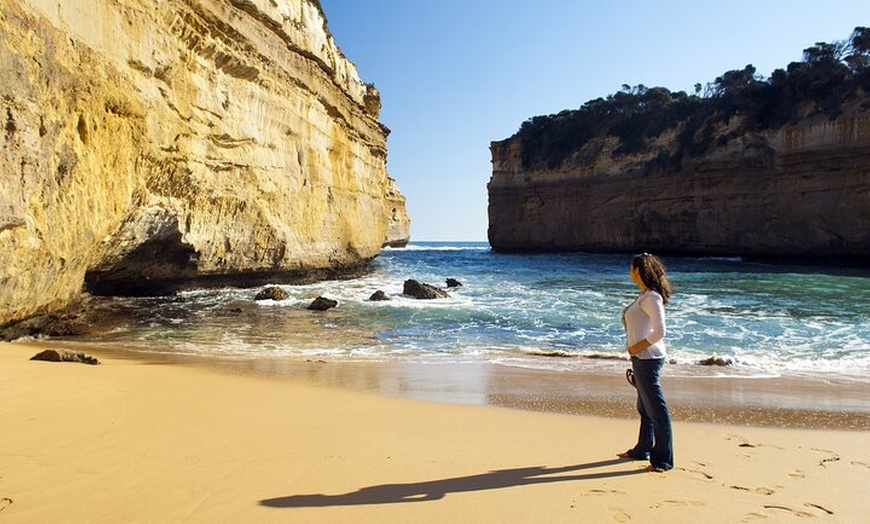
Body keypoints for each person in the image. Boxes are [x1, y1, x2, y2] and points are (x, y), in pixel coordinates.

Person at [618, 253, 674, 472]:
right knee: (645, 407)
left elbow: (660, 331)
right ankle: (642, 449)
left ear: (638, 270)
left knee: (657, 410)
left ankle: (663, 460)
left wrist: (636, 348)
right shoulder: (644, 295)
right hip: (641, 358)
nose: (629, 271)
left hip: (649, 358)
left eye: (631, 268)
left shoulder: (651, 297)